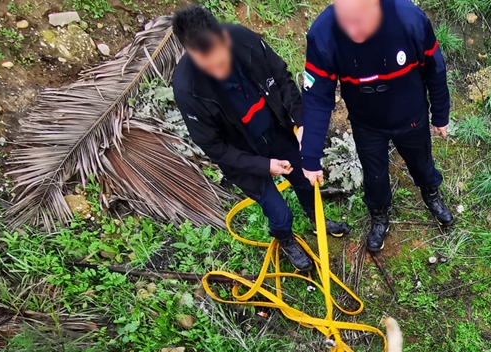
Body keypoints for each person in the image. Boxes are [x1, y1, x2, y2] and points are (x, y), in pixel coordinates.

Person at [171, 5, 350, 272]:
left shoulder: (243, 40)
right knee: (278, 212)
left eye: (222, 61)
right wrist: (264, 166)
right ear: (191, 53)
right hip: (243, 155)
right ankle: (286, 239)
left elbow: (282, 79)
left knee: (305, 180)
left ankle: (317, 221)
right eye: (211, 66)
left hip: (275, 131)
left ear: (222, 37)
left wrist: (300, 125)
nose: (220, 70)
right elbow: (215, 147)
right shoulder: (187, 89)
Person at [300, 0, 454, 253]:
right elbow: (317, 97)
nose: (352, 30)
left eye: (360, 20)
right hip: (366, 123)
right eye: (345, 20)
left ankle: (431, 194)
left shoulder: (409, 19)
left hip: (411, 118)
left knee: (421, 162)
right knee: (374, 176)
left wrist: (440, 114)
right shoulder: (323, 34)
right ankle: (379, 214)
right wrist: (310, 155)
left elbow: (435, 69)